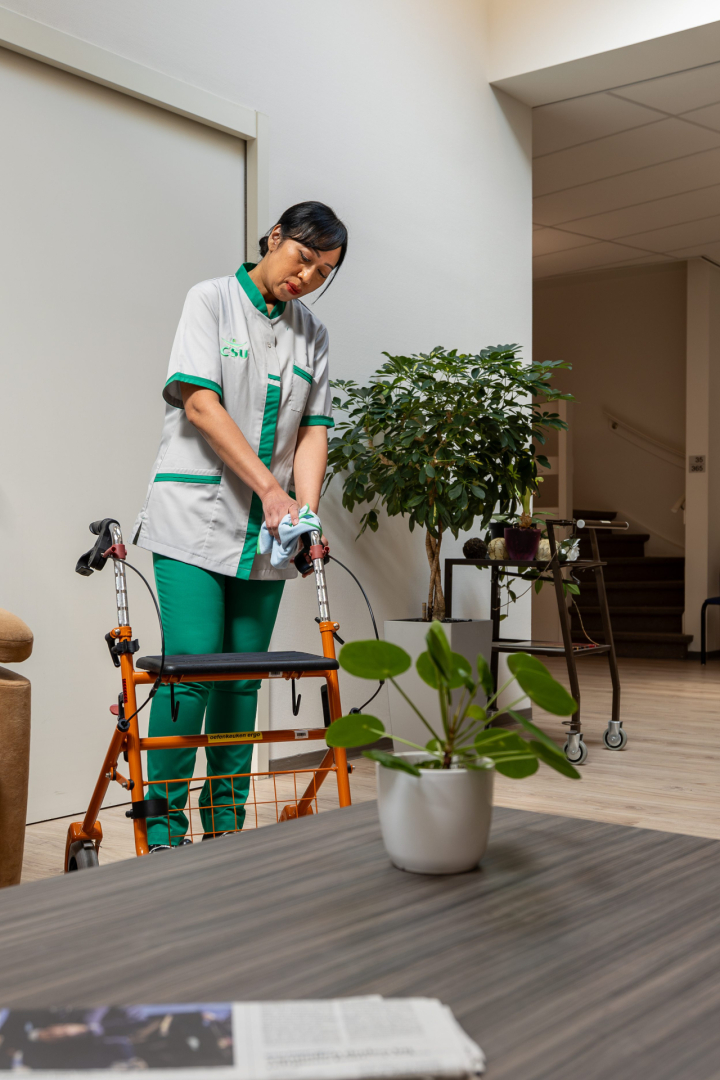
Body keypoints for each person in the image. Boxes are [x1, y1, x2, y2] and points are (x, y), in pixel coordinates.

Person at [132, 201, 347, 851]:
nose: (306, 277)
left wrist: (304, 513)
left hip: (267, 534)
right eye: (302, 259)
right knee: (193, 670)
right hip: (194, 520)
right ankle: (163, 830)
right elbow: (200, 403)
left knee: (243, 679)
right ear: (274, 238)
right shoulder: (211, 301)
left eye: (322, 272)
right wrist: (272, 492)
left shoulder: (314, 335)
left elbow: (312, 431)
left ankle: (225, 829)